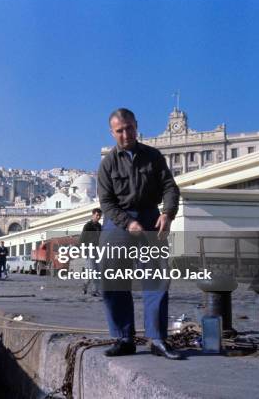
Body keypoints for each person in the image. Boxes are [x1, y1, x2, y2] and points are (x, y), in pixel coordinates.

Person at [97, 108, 182, 360]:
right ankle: (124, 338)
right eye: (120, 130)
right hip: (118, 222)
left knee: (156, 277)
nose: (126, 134)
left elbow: (170, 187)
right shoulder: (107, 164)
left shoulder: (154, 157)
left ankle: (157, 339)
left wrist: (167, 213)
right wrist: (127, 223)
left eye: (130, 128)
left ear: (136, 126)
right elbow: (106, 203)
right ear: (112, 133)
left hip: (149, 217)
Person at [80, 208, 102, 296]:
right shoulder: (87, 226)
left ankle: (84, 286)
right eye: (97, 215)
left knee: (91, 272)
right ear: (93, 215)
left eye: (100, 215)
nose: (99, 217)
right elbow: (82, 239)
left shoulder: (99, 226)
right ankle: (95, 291)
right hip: (89, 250)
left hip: (97, 250)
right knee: (95, 271)